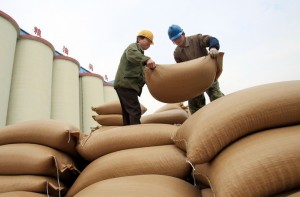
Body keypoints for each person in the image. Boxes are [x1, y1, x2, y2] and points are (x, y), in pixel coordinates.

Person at [168, 24, 225, 114]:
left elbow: (212, 39)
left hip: (208, 75)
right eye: (174, 40)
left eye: (178, 37)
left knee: (216, 97)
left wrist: (213, 47)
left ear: (183, 34)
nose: (177, 41)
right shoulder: (177, 53)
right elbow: (182, 68)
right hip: (194, 81)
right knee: (195, 108)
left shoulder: (196, 39)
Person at [114, 30, 156, 125]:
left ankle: (128, 135)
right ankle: (136, 136)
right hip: (126, 84)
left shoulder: (140, 56)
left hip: (125, 85)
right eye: (148, 40)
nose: (149, 44)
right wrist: (147, 59)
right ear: (139, 39)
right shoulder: (134, 47)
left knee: (128, 113)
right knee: (135, 111)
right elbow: (132, 55)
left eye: (150, 43)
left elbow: (142, 75)